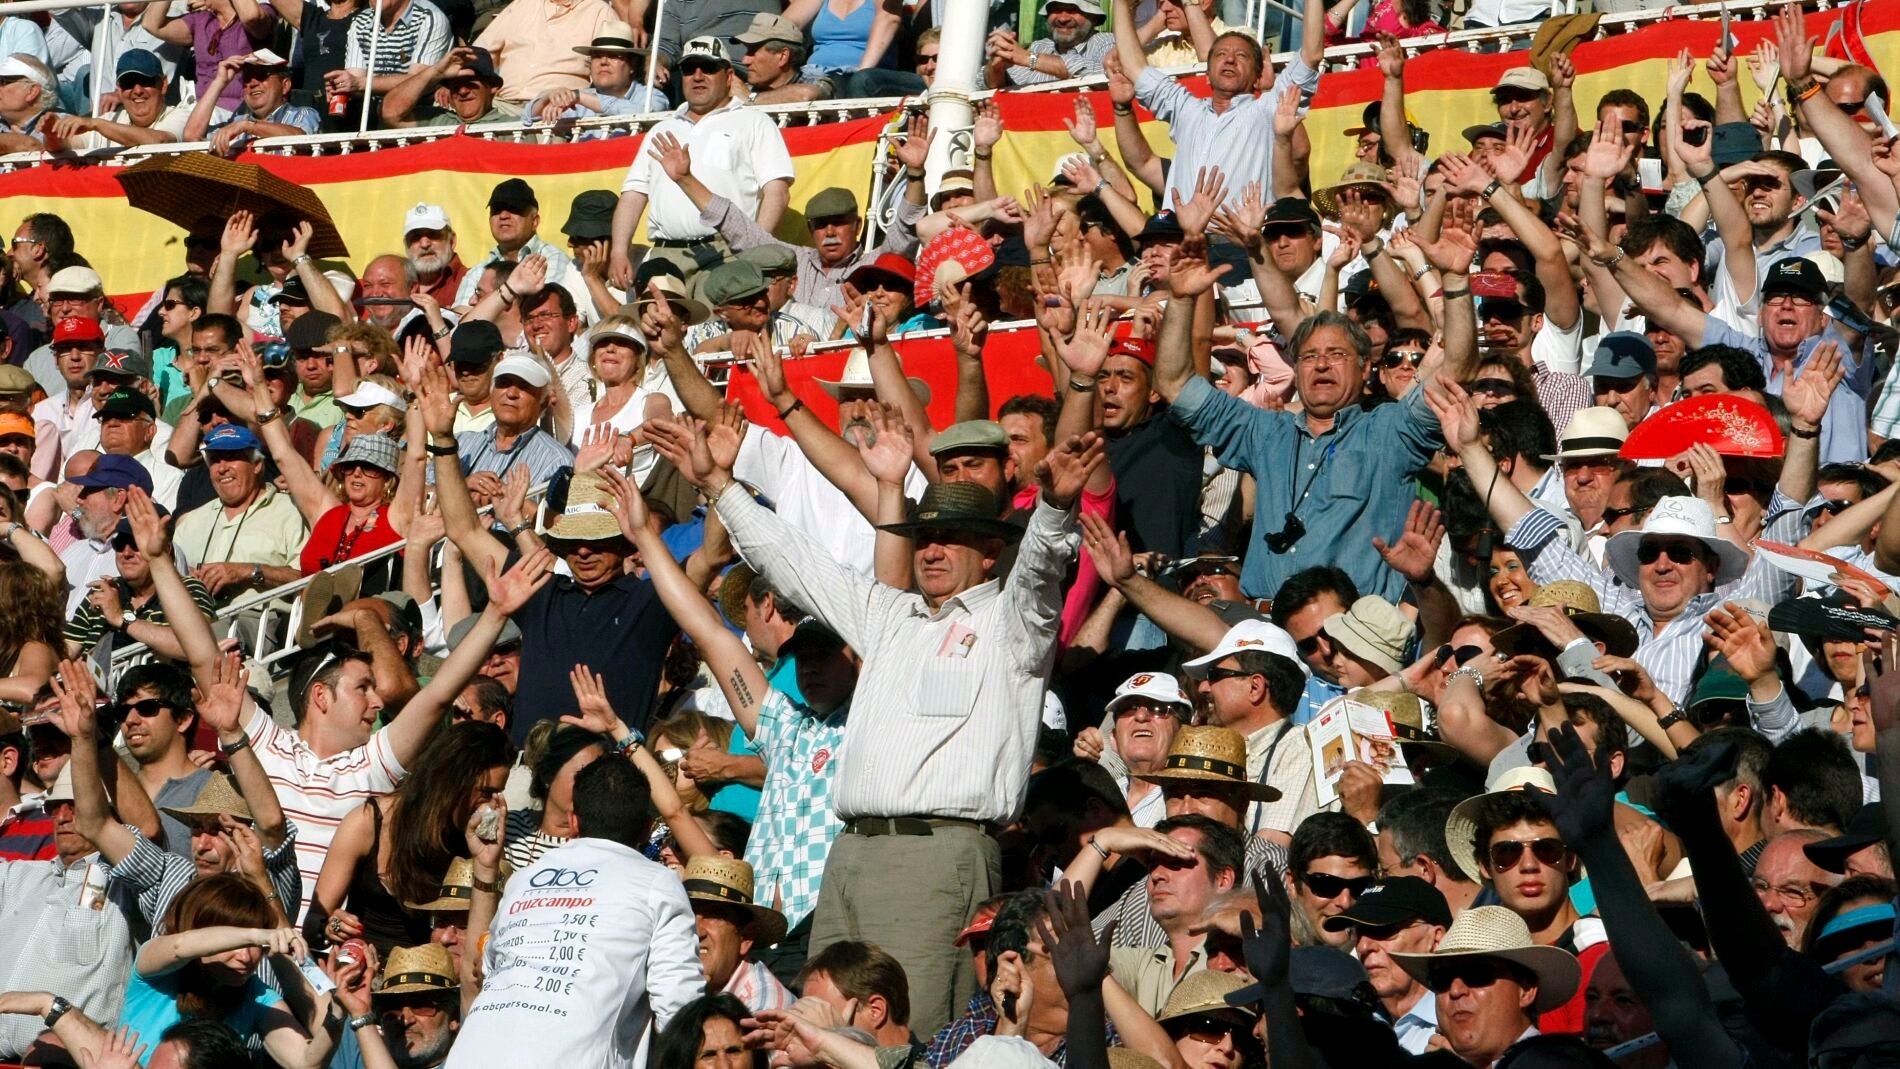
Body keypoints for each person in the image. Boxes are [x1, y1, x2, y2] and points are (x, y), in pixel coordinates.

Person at [656, 409, 1102, 1037]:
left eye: (952, 537)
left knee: (908, 1033)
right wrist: (721, 489)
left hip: (935, 852)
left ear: (990, 549)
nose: (934, 549)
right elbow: (794, 563)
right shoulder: (887, 614)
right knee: (820, 1031)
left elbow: (1039, 575)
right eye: (925, 538)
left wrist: (1054, 509)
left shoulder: (1011, 624)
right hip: (850, 852)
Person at [449, 757, 703, 1067]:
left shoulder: (526, 878)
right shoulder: (658, 882)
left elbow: (486, 970)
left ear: (573, 822)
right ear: (647, 828)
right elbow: (680, 1010)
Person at [305, 720, 514, 957]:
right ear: (454, 781)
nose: (490, 806)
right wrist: (332, 926)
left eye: (498, 793)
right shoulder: (369, 823)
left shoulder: (480, 840)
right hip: (370, 979)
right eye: (485, 793)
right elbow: (313, 924)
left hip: (445, 981)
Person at [608, 36, 795, 288]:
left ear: (728, 76)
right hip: (666, 253)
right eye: (689, 69)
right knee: (658, 326)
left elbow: (777, 192)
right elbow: (633, 194)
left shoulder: (754, 122)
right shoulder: (662, 128)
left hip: (727, 252)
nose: (697, 76)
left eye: (708, 68)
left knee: (719, 328)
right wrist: (619, 251)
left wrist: (755, 251)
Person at [118, 873, 337, 1066]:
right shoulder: (156, 971)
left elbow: (305, 1062)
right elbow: (179, 946)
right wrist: (256, 935)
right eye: (234, 944)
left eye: (256, 947)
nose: (246, 957)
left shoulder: (258, 998)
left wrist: (339, 1011)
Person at [1389, 905, 1581, 1069]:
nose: (1455, 991)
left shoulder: (1561, 1063)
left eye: (1477, 974)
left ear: (1526, 989)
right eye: (1441, 978)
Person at [1321, 876, 1450, 1053]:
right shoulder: (1349, 1026)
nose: (1363, 946)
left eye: (1383, 930)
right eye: (1357, 933)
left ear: (1436, 940)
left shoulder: (1462, 1027)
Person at [680, 855, 794, 1013]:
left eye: (714, 915)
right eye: (688, 913)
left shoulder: (762, 1009)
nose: (697, 930)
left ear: (746, 938)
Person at [986, 0, 1115, 87]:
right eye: (1057, 10)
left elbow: (1108, 74)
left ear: (1094, 17)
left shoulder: (1105, 42)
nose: (1063, 18)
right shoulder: (1040, 46)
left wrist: (1029, 58)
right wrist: (997, 67)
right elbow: (983, 83)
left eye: (1073, 10)